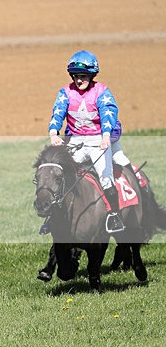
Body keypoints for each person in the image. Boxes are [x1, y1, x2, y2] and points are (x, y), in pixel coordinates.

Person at [47, 50, 131, 233]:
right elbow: (58, 112)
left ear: (92, 75)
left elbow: (108, 113)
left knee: (105, 178)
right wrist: (54, 132)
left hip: (98, 141)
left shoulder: (102, 92)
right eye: (76, 76)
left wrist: (106, 136)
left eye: (83, 76)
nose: (78, 80)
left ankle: (114, 215)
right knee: (61, 175)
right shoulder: (65, 92)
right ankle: (53, 217)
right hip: (76, 141)